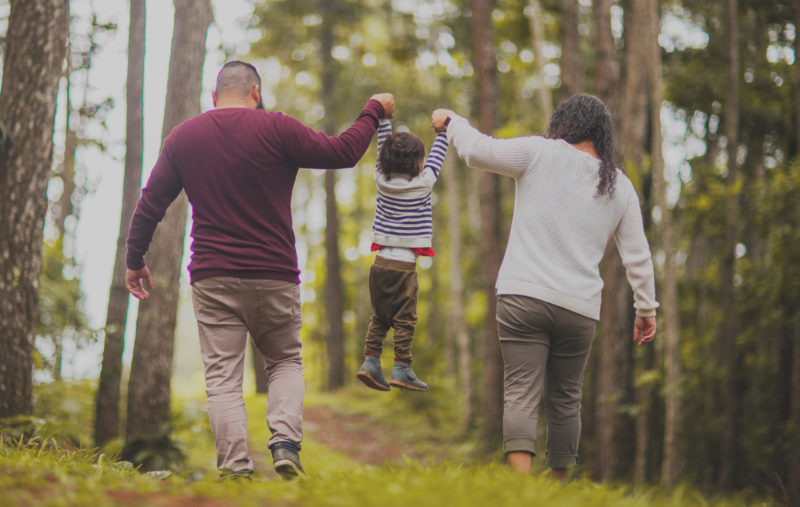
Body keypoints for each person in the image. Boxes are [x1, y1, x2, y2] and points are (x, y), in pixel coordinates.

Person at [125, 60, 394, 480]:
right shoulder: (277, 127)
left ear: (214, 98)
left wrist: (134, 259)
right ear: (256, 92)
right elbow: (343, 152)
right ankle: (286, 443)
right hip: (274, 273)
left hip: (212, 276)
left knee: (222, 379)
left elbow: (151, 203)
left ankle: (235, 469)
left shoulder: (185, 137)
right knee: (285, 360)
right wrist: (373, 109)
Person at [431, 93, 658, 479]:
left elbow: (478, 151)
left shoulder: (539, 152)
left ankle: (522, 489)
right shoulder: (619, 186)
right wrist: (646, 310)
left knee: (521, 391)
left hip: (523, 296)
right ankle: (556, 490)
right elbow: (637, 255)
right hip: (579, 308)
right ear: (602, 134)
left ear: (563, 124)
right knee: (567, 400)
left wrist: (452, 121)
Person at [355, 117, 448, 392]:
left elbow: (382, 146)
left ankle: (370, 361)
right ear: (419, 163)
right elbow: (438, 155)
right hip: (404, 268)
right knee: (405, 319)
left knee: (380, 316)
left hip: (380, 264)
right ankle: (402, 367)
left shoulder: (381, 180)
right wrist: (442, 131)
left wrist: (384, 119)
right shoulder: (424, 182)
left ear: (384, 161)